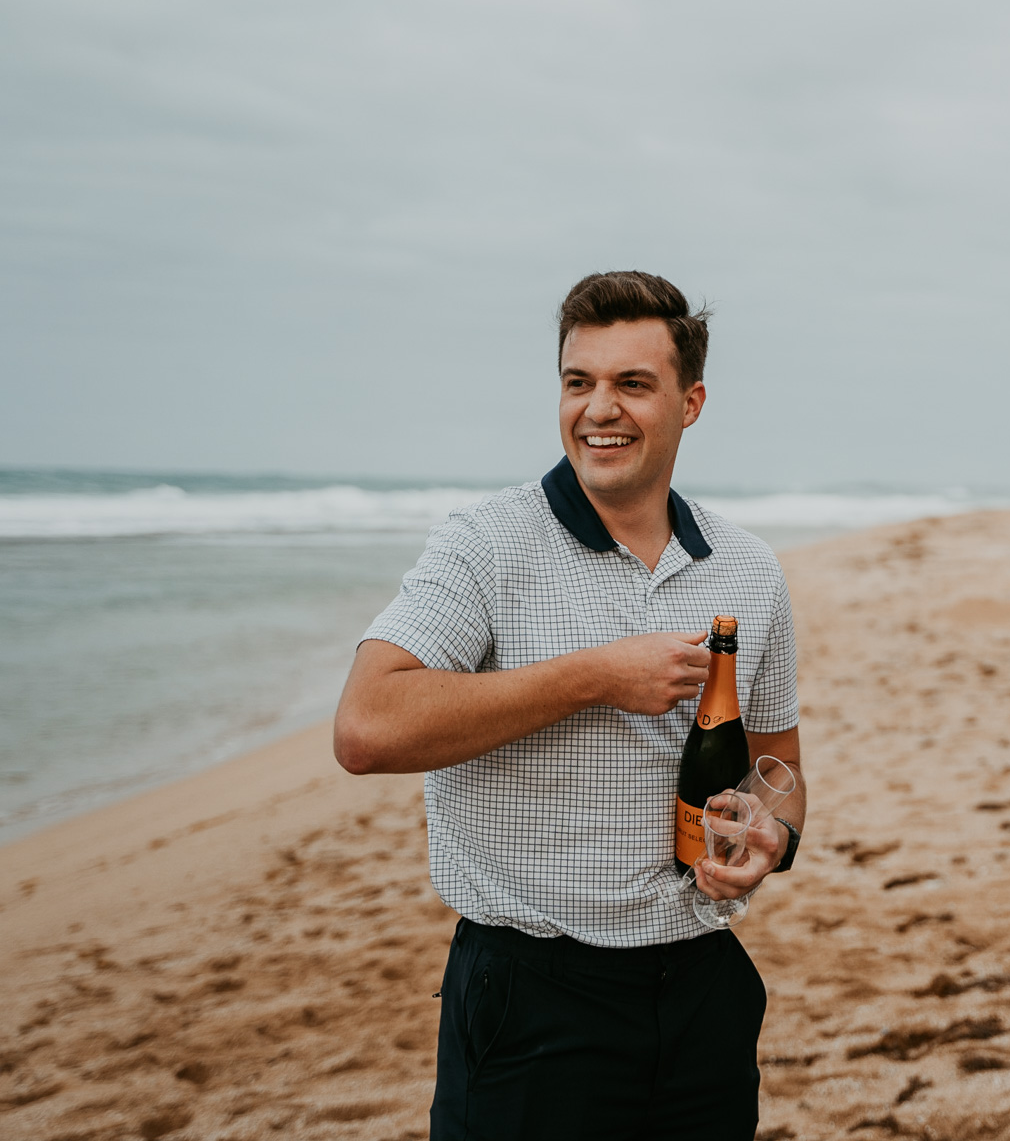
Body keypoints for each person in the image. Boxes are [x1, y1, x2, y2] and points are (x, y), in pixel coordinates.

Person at [332, 270, 805, 1141]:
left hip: (703, 990)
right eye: (578, 382)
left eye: (632, 384)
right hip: (531, 1002)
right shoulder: (485, 544)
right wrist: (590, 677)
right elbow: (365, 727)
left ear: (690, 402)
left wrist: (773, 839)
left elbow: (781, 771)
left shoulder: (748, 568)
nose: (599, 410)